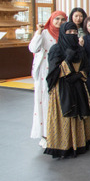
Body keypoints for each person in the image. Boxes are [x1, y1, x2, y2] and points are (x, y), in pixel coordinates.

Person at [44, 22, 90, 158]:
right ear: (62, 33)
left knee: (80, 113)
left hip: (78, 84)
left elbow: (86, 66)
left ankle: (80, 142)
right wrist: (67, 60)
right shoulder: (56, 49)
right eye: (69, 33)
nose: (72, 35)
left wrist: (79, 75)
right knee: (66, 115)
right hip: (62, 87)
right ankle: (64, 145)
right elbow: (53, 71)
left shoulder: (80, 49)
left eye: (74, 32)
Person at [29, 11, 68, 148]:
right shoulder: (44, 33)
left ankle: (59, 133)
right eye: (56, 19)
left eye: (63, 19)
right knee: (44, 102)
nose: (59, 22)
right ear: (51, 19)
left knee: (59, 103)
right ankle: (45, 135)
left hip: (62, 73)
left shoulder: (65, 34)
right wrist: (38, 32)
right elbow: (33, 48)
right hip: (45, 72)